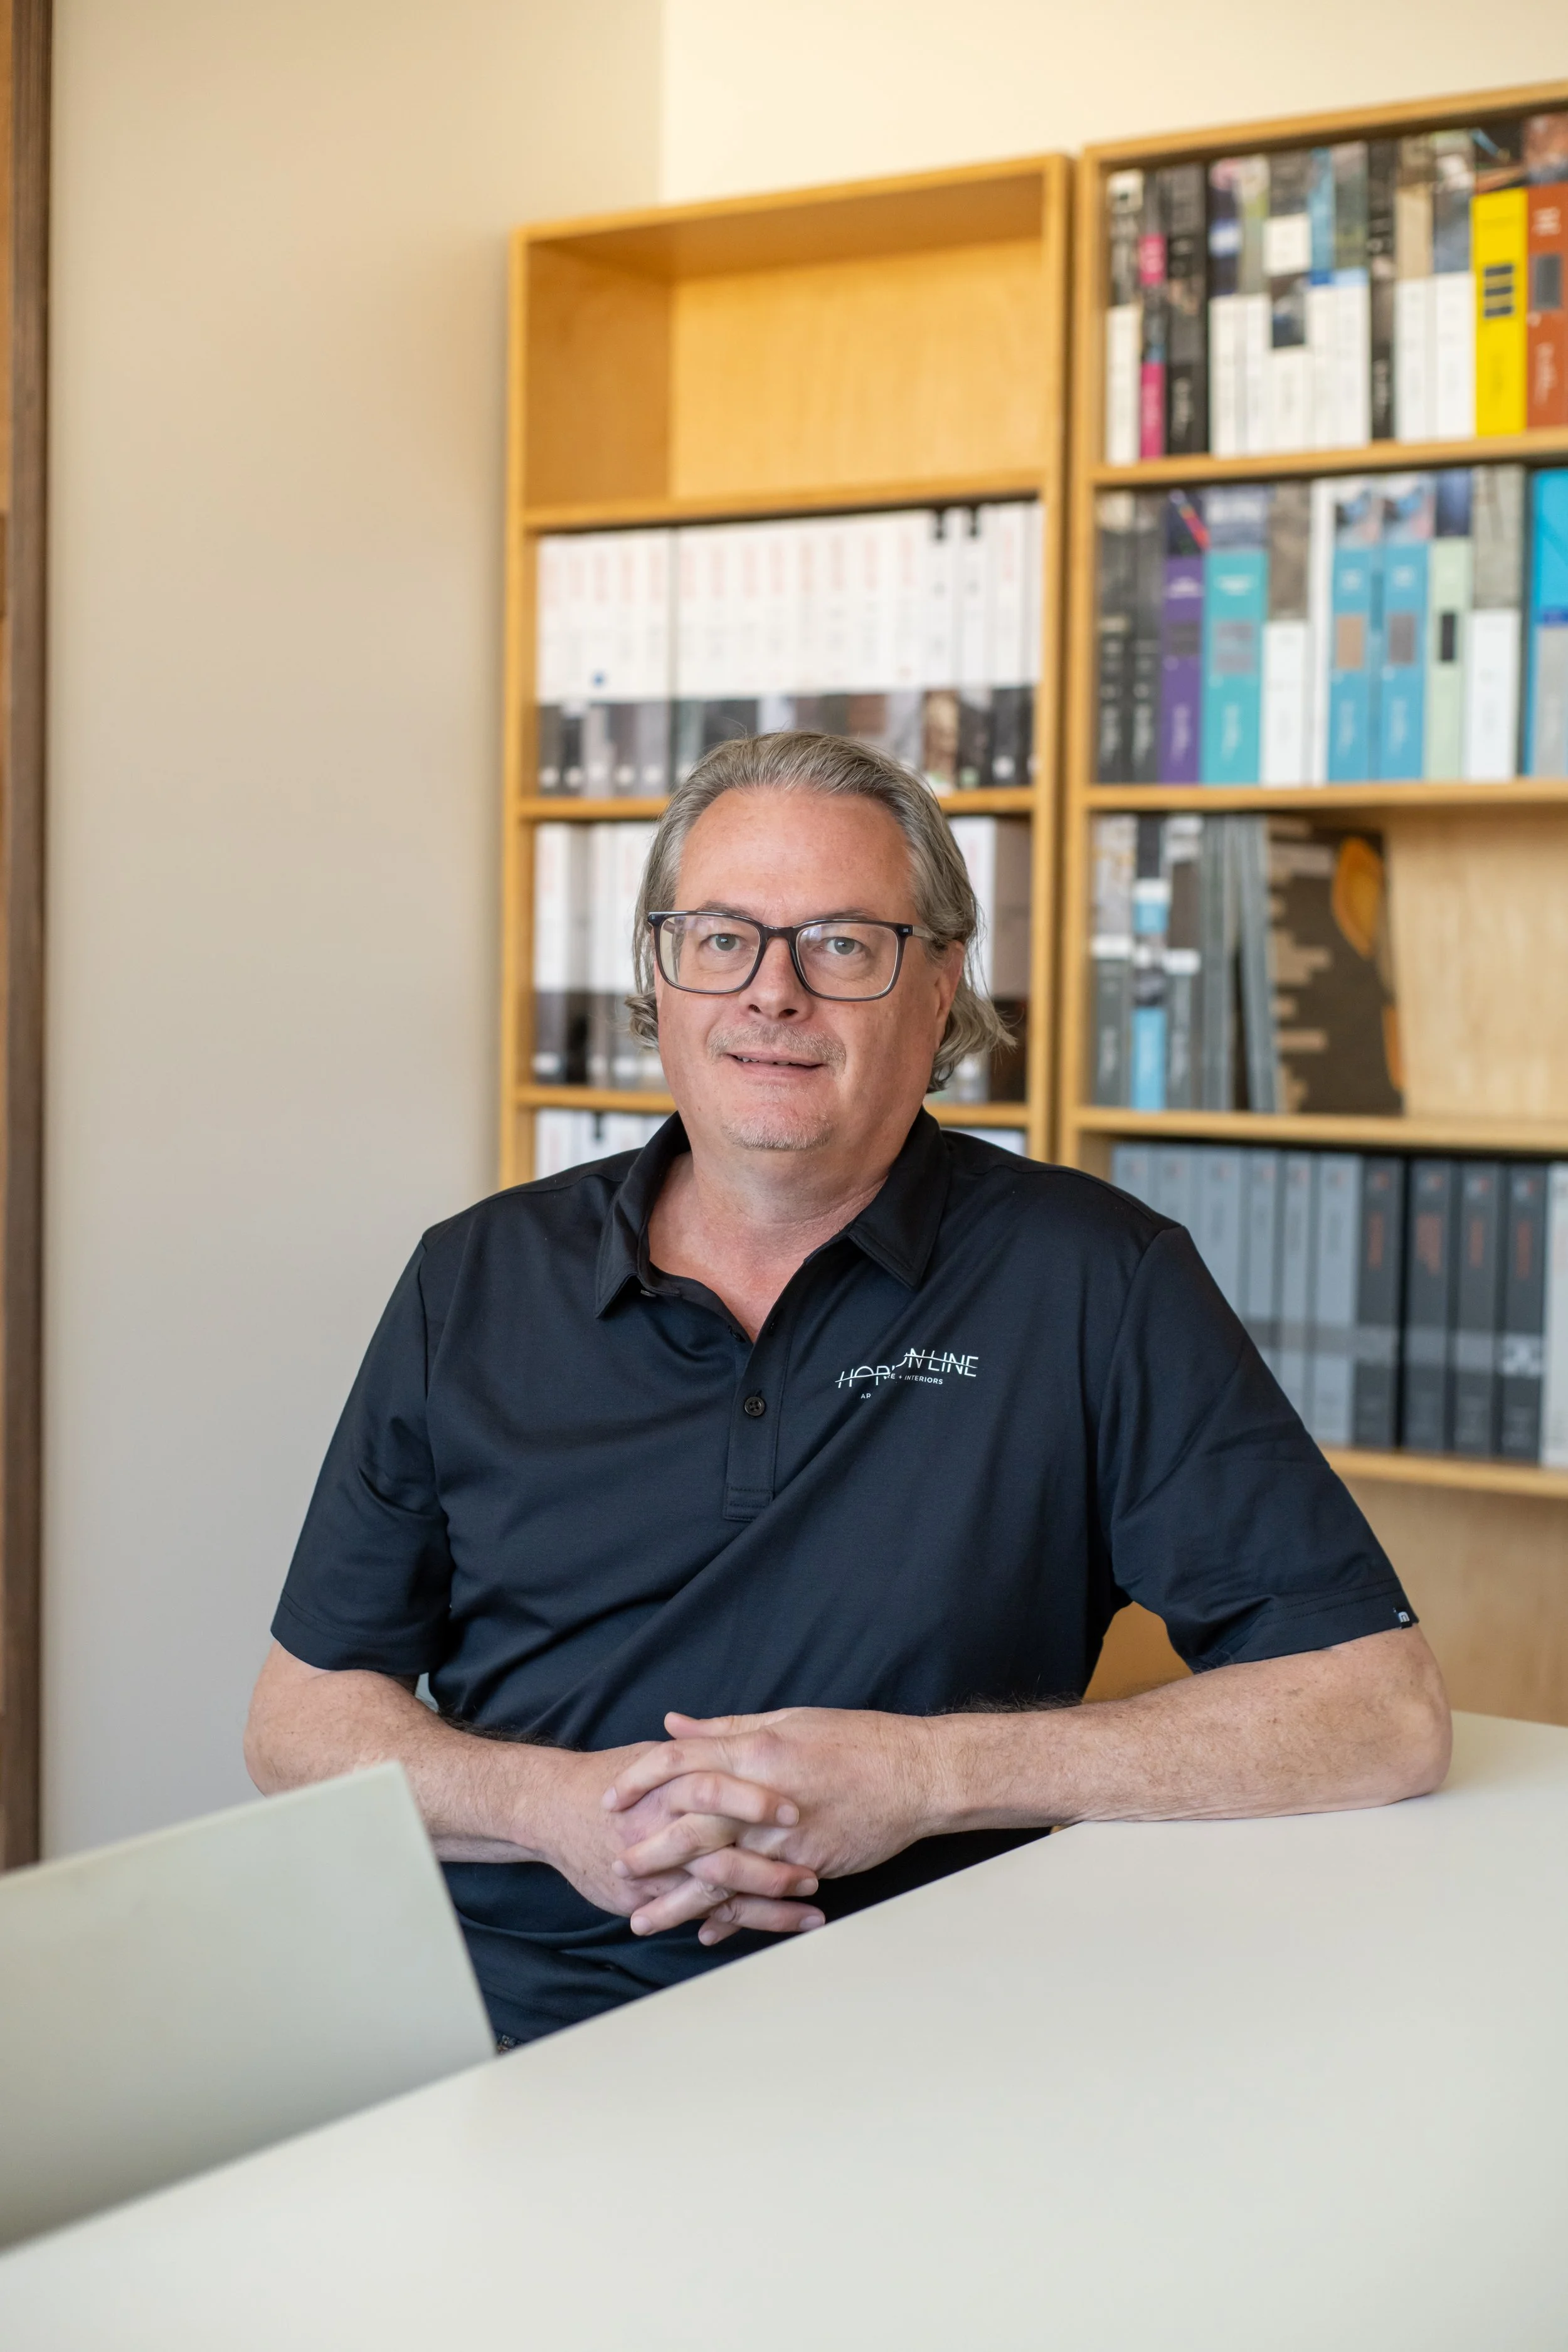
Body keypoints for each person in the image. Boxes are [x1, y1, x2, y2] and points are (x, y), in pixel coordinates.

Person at [246, 731, 1449, 2047]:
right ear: (660, 973)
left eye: (839, 944)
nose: (771, 994)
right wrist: (557, 1811)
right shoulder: (470, 1278)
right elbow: (300, 1721)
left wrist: (926, 1775)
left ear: (938, 990)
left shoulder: (1093, 1279)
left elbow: (1373, 1710)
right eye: (720, 938)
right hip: (501, 2044)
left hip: (935, 2042)